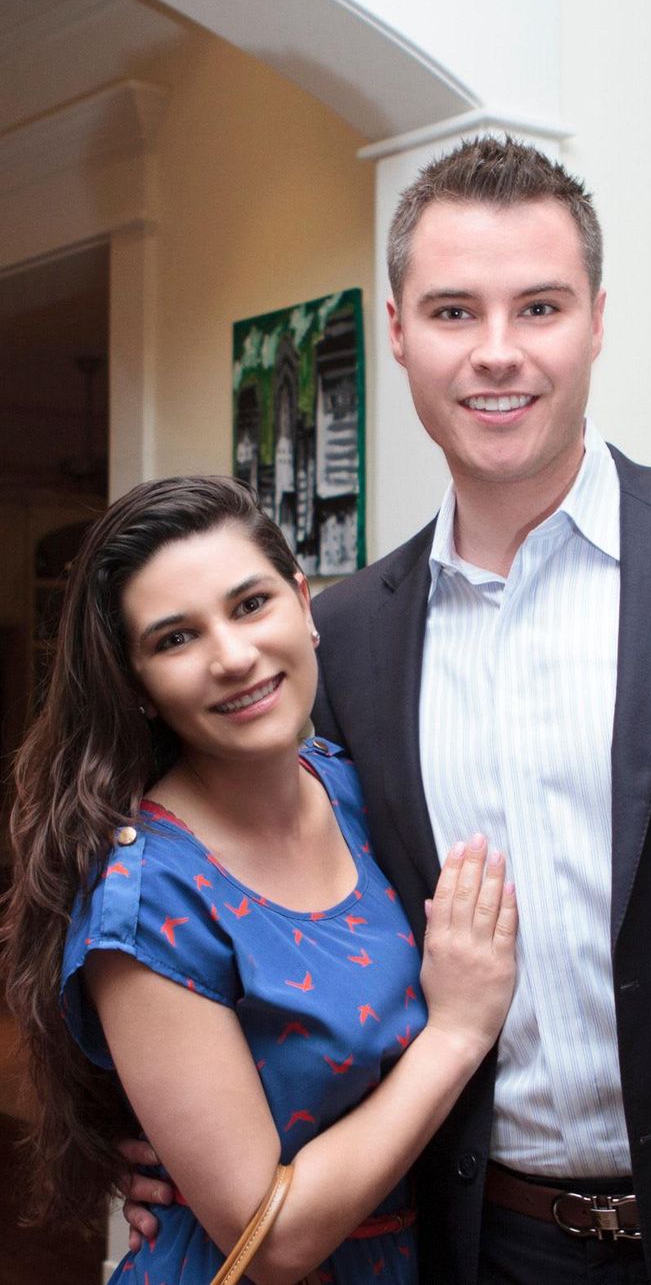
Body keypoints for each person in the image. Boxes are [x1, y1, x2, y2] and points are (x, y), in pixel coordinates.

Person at [126, 138, 651, 1283]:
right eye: (450, 311)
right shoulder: (352, 639)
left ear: (593, 319)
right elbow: (291, 918)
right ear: (393, 330)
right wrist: (164, 1136)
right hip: (490, 1241)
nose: (495, 353)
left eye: (537, 305)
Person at [0, 476, 517, 1284]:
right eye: (175, 639)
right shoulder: (148, 895)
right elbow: (263, 1240)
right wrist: (456, 1032)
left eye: (250, 604)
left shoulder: (348, 783)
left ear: (303, 602)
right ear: (136, 686)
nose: (233, 655)